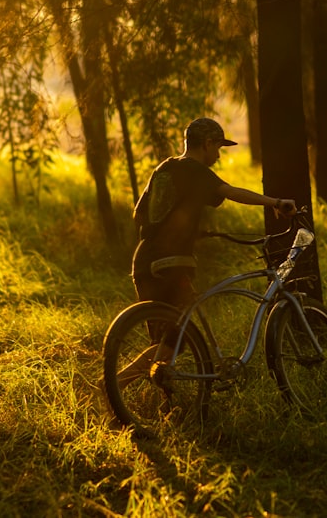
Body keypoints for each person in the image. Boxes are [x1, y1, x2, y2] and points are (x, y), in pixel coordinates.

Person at [116, 117, 296, 391]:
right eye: (218, 147)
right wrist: (275, 202)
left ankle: (155, 399)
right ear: (207, 143)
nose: (218, 154)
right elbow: (231, 192)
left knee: (165, 345)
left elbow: (139, 214)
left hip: (144, 261)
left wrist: (180, 228)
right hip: (171, 262)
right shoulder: (195, 169)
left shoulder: (164, 168)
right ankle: (114, 384)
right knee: (172, 342)